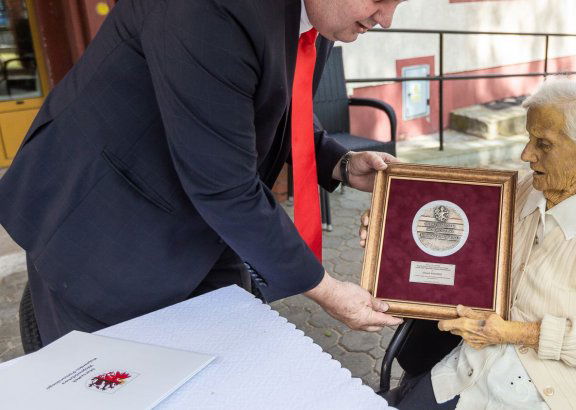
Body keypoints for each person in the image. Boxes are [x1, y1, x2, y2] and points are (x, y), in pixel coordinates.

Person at [0, 0, 406, 346]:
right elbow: (227, 189)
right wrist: (327, 290)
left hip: (200, 221)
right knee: (109, 382)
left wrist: (340, 162)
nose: (386, 19)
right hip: (100, 227)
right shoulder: (211, 7)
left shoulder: (320, 12)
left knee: (230, 354)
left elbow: (269, 101)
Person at [360, 78, 576, 409]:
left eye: (543, 144)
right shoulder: (528, 189)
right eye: (528, 138)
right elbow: (463, 239)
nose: (526, 154)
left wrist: (515, 333)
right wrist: (392, 231)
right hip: (483, 355)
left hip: (559, 383)